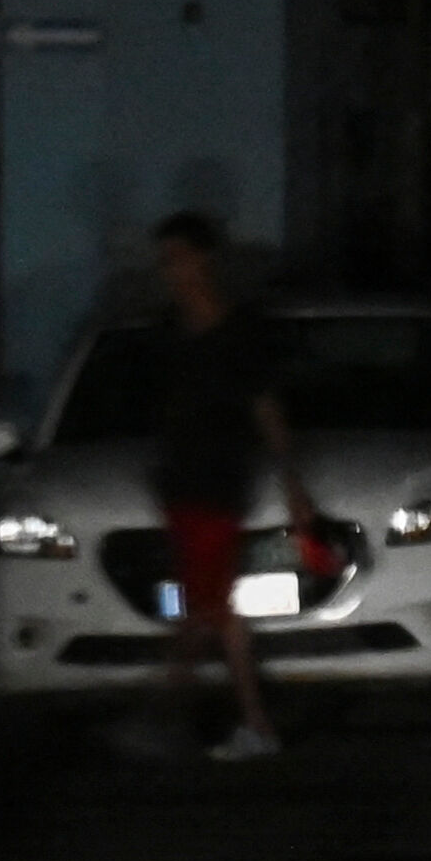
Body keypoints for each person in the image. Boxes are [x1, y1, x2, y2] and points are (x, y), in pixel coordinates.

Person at [137, 211, 325, 762]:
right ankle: (242, 722)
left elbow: (266, 409)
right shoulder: (170, 333)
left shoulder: (237, 334)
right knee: (213, 609)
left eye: (176, 258)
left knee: (207, 610)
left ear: (203, 259)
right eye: (164, 261)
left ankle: (188, 717)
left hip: (217, 486)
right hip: (182, 487)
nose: (169, 272)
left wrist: (292, 481)